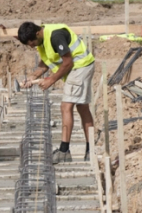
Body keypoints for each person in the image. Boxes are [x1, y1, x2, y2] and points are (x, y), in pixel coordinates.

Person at [17, 22, 95, 163]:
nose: (32, 46)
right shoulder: (42, 39)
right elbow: (47, 61)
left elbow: (68, 62)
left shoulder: (55, 36)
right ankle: (91, 149)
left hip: (79, 66)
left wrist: (51, 80)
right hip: (80, 67)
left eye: (32, 43)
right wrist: (34, 76)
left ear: (37, 34)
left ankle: (64, 151)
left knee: (66, 107)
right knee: (82, 107)